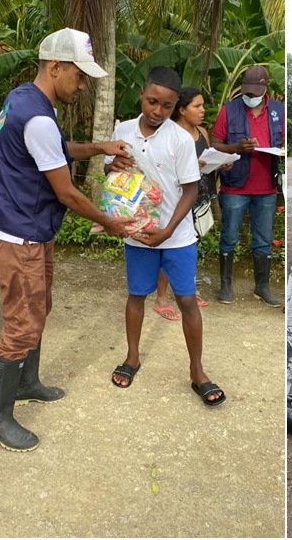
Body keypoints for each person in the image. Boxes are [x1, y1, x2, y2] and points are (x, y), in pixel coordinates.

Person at [0, 28, 133, 452]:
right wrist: (110, 222)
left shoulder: (24, 99)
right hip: (19, 236)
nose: (82, 85)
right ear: (55, 67)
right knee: (21, 322)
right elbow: (66, 191)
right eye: (79, 76)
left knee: (38, 307)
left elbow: (59, 149)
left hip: (30, 229)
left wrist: (101, 146)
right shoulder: (39, 118)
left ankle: (27, 382)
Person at [105, 66, 225, 407]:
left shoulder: (180, 140)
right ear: (141, 94)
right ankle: (132, 358)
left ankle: (197, 371)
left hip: (177, 236)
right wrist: (109, 166)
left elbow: (190, 190)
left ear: (175, 107)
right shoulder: (124, 129)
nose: (157, 111)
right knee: (136, 296)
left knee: (187, 300)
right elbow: (112, 170)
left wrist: (169, 230)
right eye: (152, 102)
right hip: (139, 234)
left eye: (167, 106)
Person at [210, 66, 285, 307]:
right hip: (235, 187)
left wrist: (282, 151)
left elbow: (284, 141)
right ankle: (226, 285)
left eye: (256, 92)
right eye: (248, 91)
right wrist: (235, 149)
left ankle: (262, 287)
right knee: (229, 237)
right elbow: (215, 144)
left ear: (266, 89)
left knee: (263, 239)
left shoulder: (279, 111)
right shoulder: (228, 111)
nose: (251, 96)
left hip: (266, 188)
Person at [152, 88, 229, 321]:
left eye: (203, 105)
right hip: (178, 199)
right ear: (182, 110)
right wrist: (189, 164)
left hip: (201, 196)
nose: (203, 110)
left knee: (190, 247)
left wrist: (221, 163)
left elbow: (208, 162)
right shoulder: (169, 135)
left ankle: (185, 291)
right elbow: (160, 169)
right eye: (197, 106)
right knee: (173, 248)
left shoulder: (202, 133)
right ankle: (161, 297)